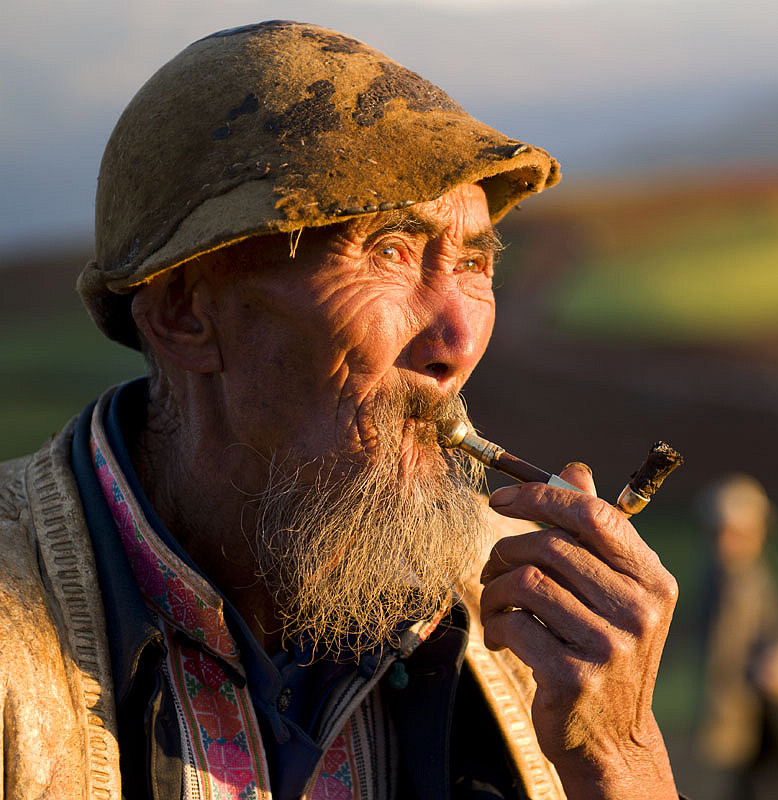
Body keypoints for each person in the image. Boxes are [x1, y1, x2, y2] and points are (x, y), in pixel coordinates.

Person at [0, 21, 681, 800]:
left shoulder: (529, 624)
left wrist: (621, 760)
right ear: (186, 314)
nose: (458, 340)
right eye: (389, 250)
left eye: (473, 263)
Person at [696, 474, 778, 800]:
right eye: (719, 534)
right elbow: (723, 654)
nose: (727, 544)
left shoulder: (751, 576)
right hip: (745, 705)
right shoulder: (723, 579)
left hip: (767, 698)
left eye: (737, 534)